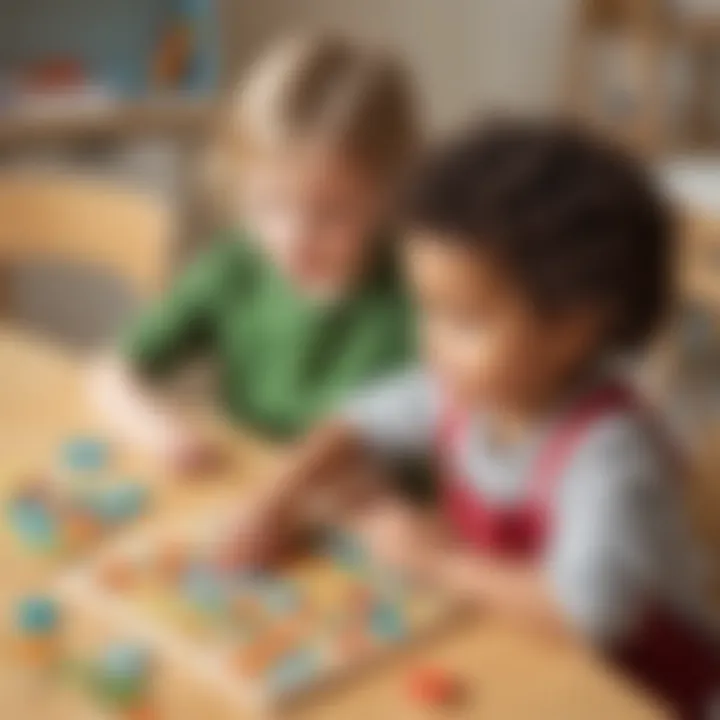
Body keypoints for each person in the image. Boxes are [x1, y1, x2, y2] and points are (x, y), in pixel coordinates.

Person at [227, 121, 719, 718]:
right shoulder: (467, 388)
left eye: (462, 319)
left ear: (573, 329)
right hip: (524, 663)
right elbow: (356, 420)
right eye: (426, 309)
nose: (430, 343)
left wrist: (436, 562)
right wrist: (272, 501)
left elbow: (586, 613)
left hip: (639, 695)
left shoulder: (610, 453)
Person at [91, 34, 419, 470]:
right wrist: (165, 436)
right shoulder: (234, 269)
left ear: (388, 195)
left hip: (359, 517)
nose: (293, 238)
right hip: (249, 497)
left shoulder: (420, 298)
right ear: (238, 180)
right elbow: (110, 373)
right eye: (270, 205)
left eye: (331, 213)